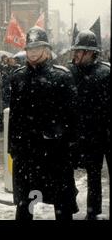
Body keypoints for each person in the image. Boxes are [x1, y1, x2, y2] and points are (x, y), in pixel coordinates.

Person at [8, 26, 79, 220]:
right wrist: (12, 148)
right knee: (25, 205)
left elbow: (72, 118)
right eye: (29, 48)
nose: (32, 52)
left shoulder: (62, 76)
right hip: (27, 154)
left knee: (62, 204)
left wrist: (72, 149)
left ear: (47, 50)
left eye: (37, 48)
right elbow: (14, 117)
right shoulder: (18, 77)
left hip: (55, 153)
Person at [67, 30, 110, 220]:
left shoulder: (106, 73)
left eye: (80, 50)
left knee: (98, 175)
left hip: (103, 134)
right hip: (82, 135)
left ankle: (93, 212)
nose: (75, 54)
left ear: (91, 52)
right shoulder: (71, 72)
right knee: (82, 175)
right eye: (75, 50)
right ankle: (81, 210)